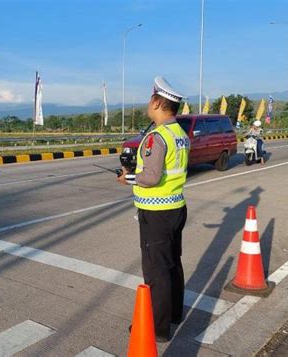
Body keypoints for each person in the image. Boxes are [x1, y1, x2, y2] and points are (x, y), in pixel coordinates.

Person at [117, 76, 189, 342]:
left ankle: (157, 328)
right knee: (172, 263)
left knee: (155, 270)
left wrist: (128, 178)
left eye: (151, 99)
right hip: (176, 207)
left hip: (156, 213)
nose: (148, 103)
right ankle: (173, 314)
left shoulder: (156, 137)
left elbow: (151, 177)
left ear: (158, 102)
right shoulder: (179, 134)